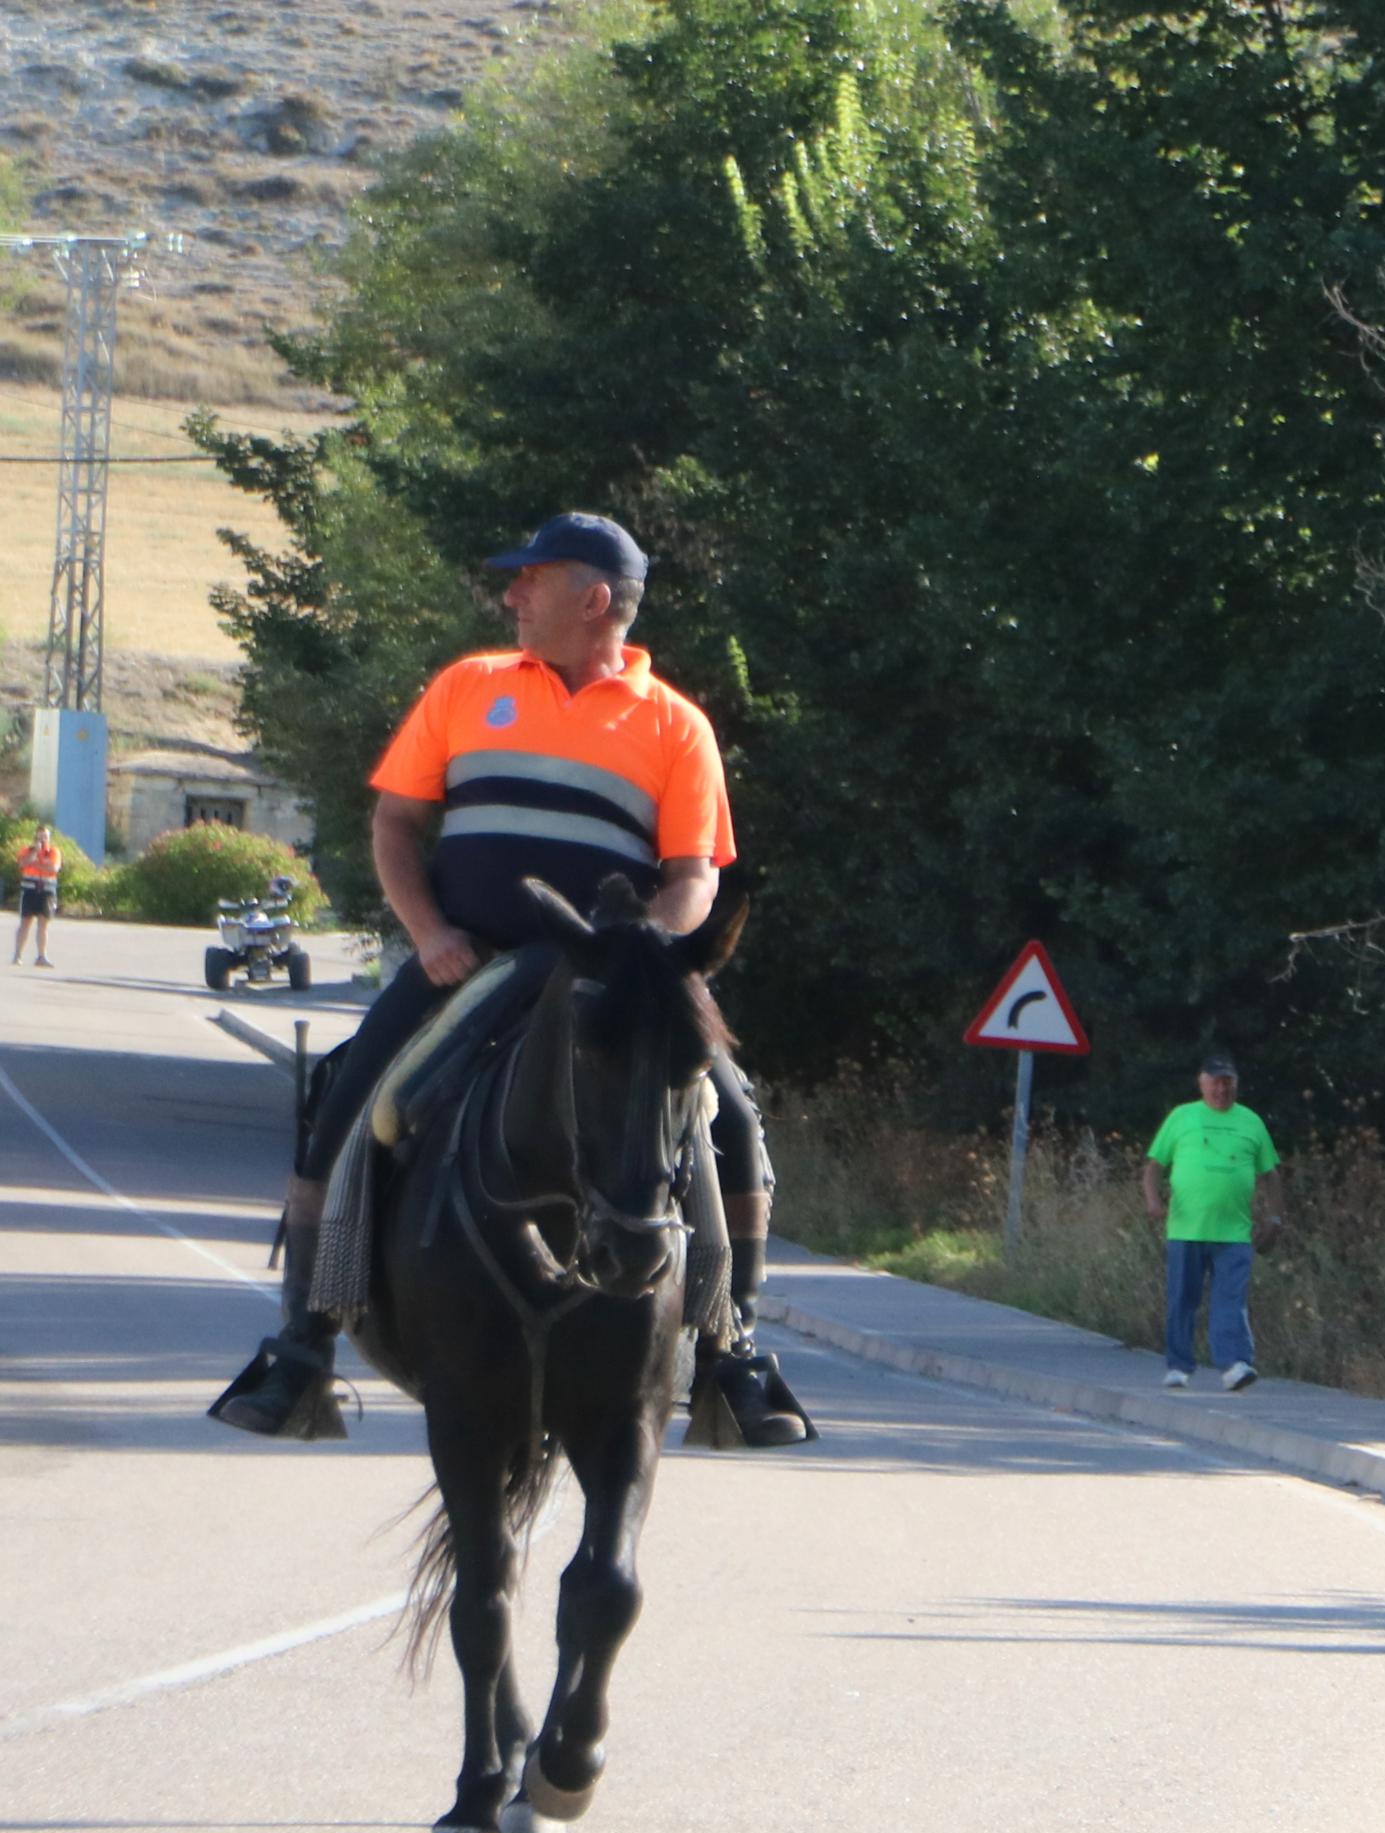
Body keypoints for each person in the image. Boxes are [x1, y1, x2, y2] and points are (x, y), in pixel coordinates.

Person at [205, 513, 814, 1448]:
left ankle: (735, 1354)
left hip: (606, 977)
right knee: (349, 1091)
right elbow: (397, 826)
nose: (512, 595)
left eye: (533, 579)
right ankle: (304, 1342)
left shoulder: (675, 725)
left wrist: (643, 950)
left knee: (727, 1107)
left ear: (594, 598)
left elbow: (696, 875)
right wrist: (429, 930)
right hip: (471, 960)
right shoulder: (466, 687)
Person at [1144, 1053, 1280, 1389]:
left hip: (1234, 1231)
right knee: (1182, 1298)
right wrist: (1153, 1199)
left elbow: (1271, 1174)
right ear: (1202, 1083)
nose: (1221, 1089)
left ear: (1235, 1085)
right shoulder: (1182, 1117)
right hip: (1187, 1228)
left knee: (1230, 1300)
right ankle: (1178, 1366)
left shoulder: (1251, 1122)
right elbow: (1153, 1166)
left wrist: (1275, 1217)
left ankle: (1234, 1364)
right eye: (1215, 1082)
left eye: (1227, 1083)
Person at [9, 825, 55, 966]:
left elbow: (53, 868)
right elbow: (23, 863)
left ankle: (41, 956)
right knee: (25, 923)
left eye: (45, 837)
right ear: (35, 837)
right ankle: (17, 955)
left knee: (43, 925)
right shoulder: (26, 851)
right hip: (29, 891)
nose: (43, 840)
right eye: (40, 837)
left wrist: (35, 864)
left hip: (46, 891)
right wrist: (34, 853)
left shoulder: (53, 852)